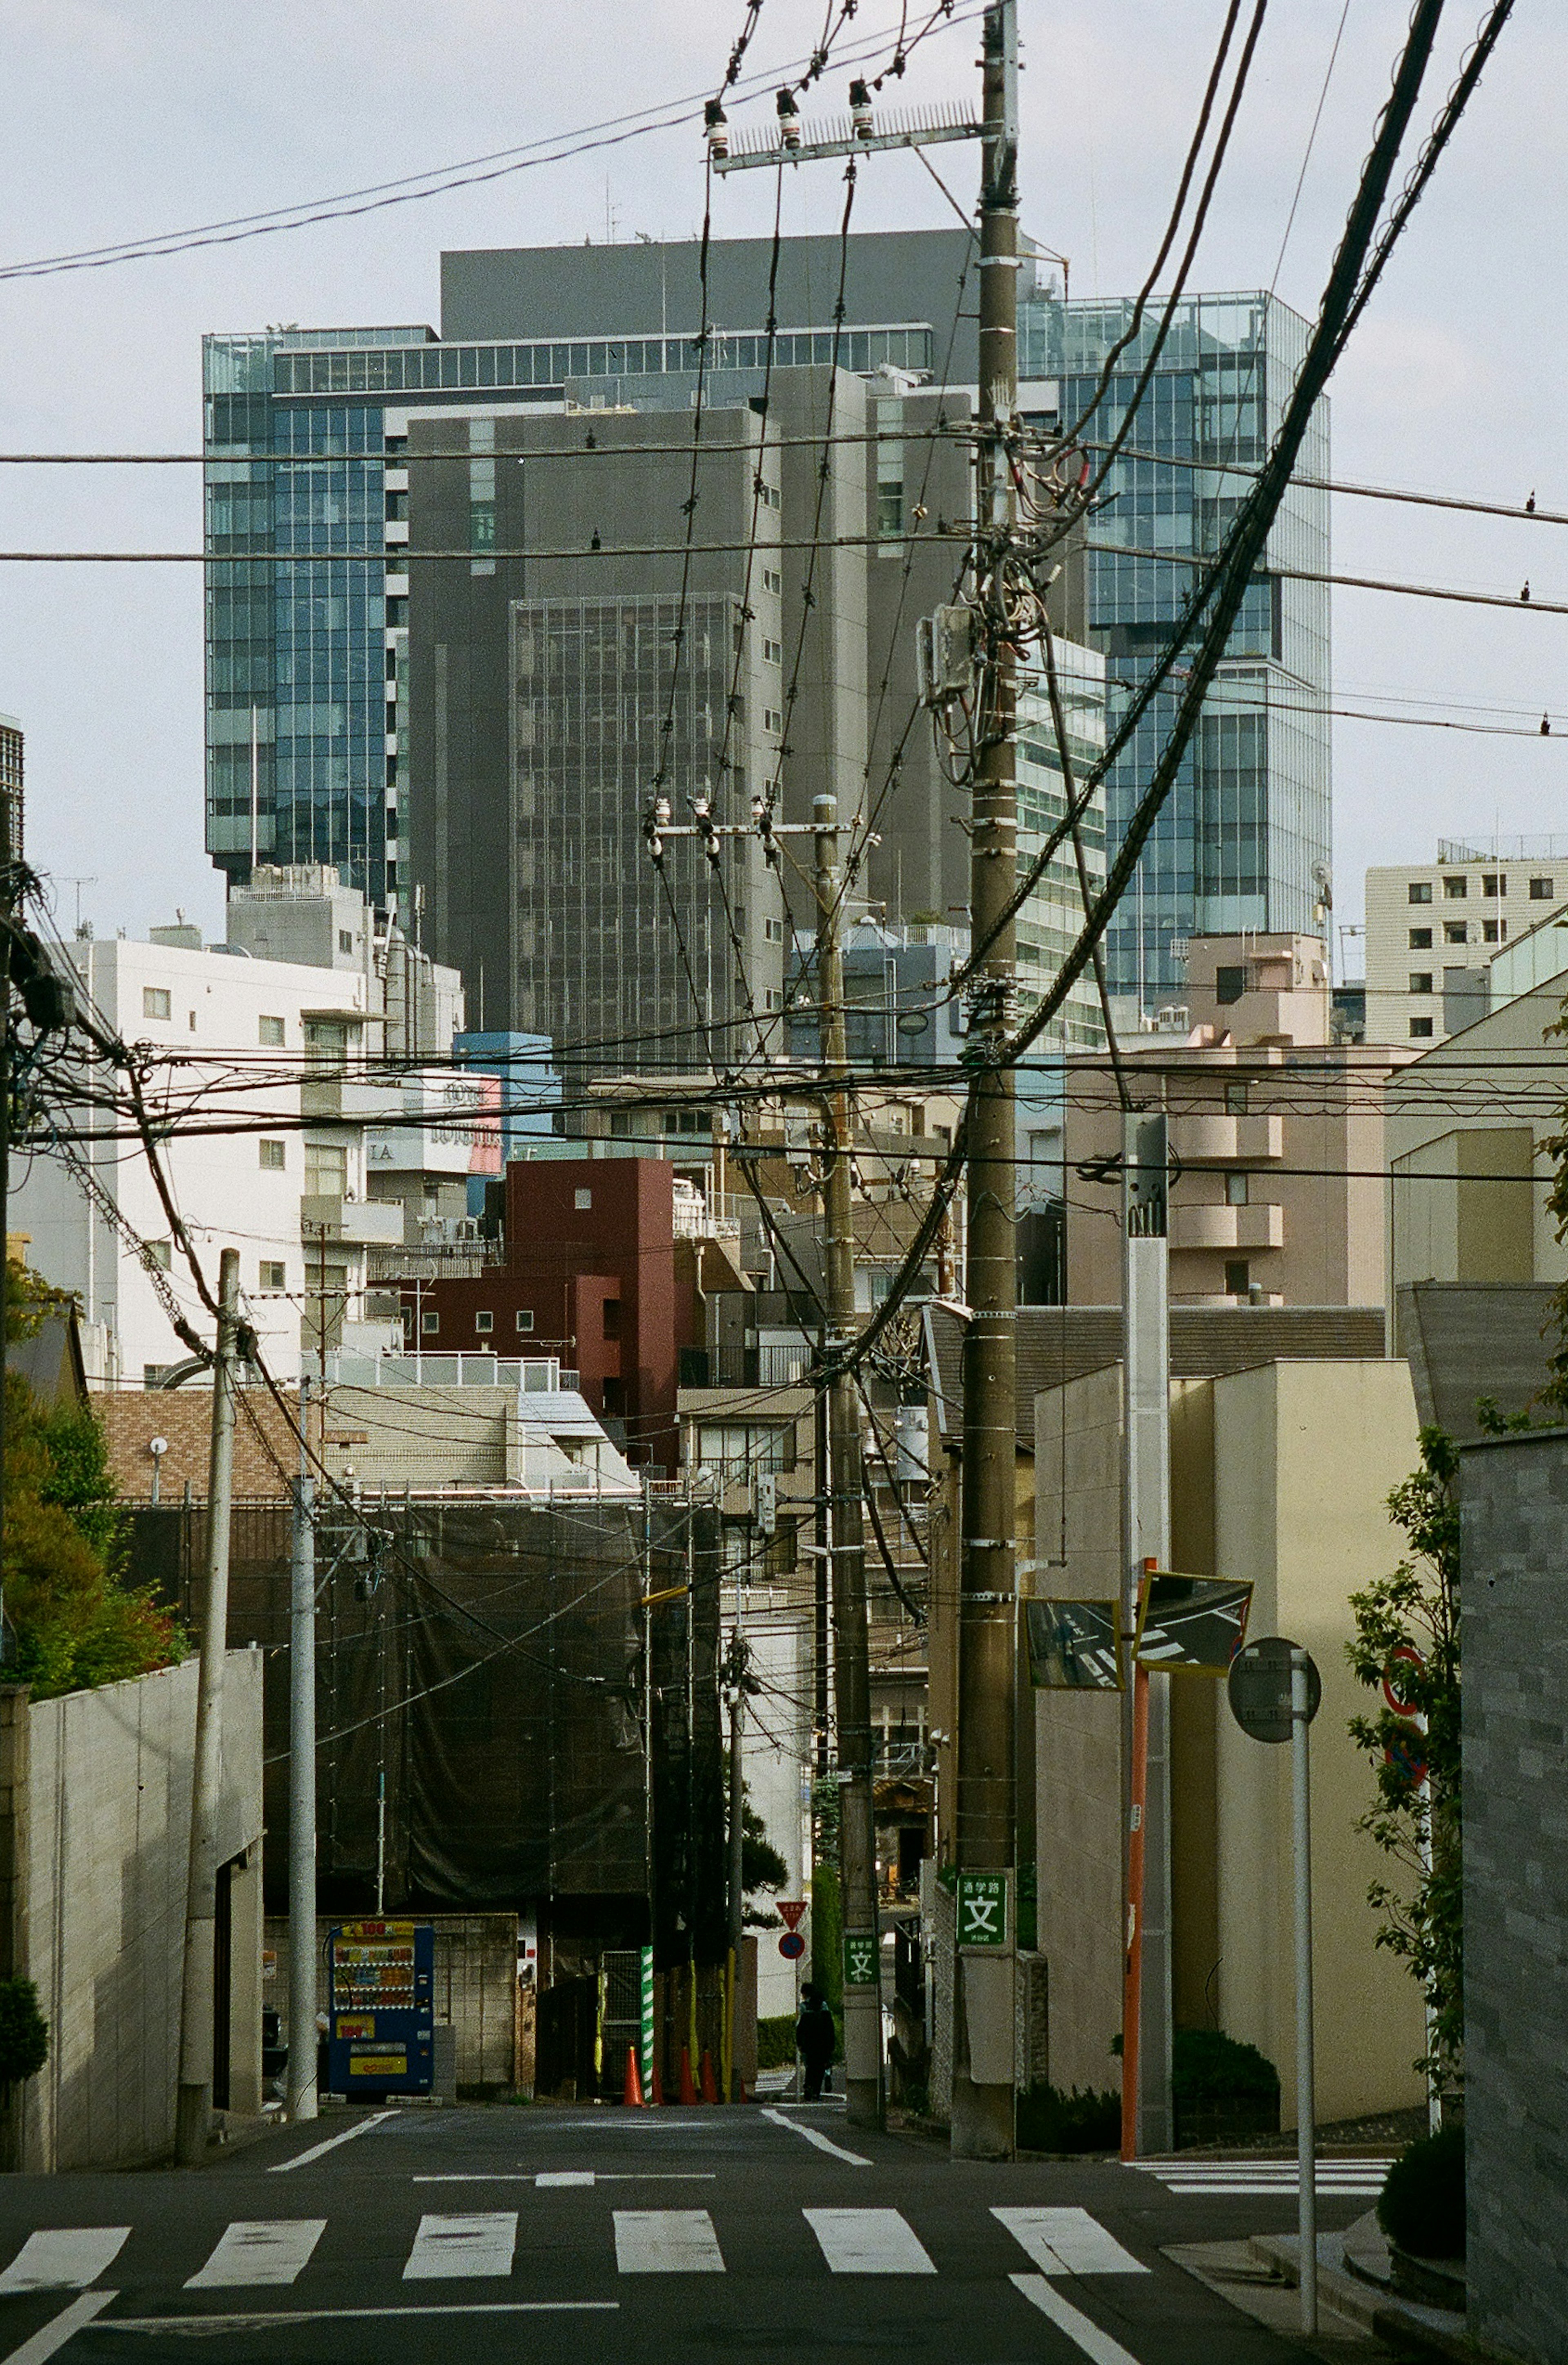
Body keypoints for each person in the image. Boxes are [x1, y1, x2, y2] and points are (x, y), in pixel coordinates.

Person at [795, 1983, 837, 2101]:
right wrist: (831, 2046)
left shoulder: (805, 2011)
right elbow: (831, 2030)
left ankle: (808, 2087)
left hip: (810, 2045)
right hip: (823, 2045)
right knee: (821, 2068)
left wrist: (800, 2044)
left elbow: (800, 2029)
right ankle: (818, 2091)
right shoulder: (825, 2011)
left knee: (810, 2067)